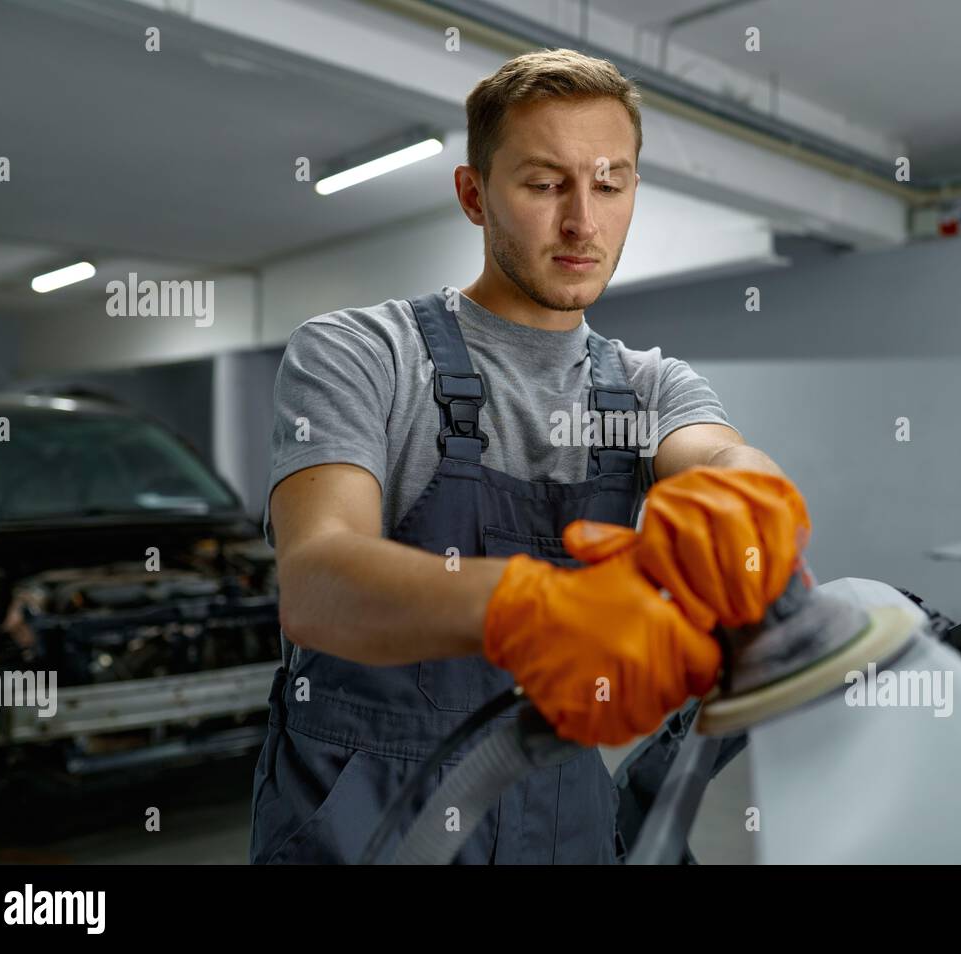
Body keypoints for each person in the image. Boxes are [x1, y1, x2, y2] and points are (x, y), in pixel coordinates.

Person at [249, 48, 810, 865]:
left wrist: (750, 494)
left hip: (564, 817)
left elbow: (716, 454)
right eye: (546, 185)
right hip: (371, 817)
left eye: (610, 184)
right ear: (474, 196)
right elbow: (319, 580)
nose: (582, 221)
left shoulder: (650, 388)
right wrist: (532, 609)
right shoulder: (359, 353)